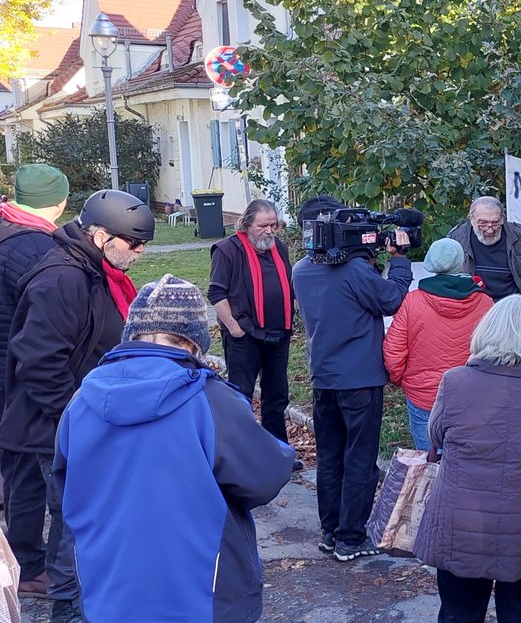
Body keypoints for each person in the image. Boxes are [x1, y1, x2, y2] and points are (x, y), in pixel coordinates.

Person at [54, 274, 294, 622]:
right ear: (194, 341)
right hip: (200, 594)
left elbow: (62, 490)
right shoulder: (210, 399)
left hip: (107, 592)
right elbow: (265, 477)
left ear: (131, 333)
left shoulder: (80, 403)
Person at [0, 188, 153, 622]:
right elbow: (38, 360)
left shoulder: (88, 267)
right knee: (75, 519)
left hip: (81, 418)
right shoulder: (63, 277)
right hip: (60, 426)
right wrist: (76, 420)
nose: (139, 253)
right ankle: (69, 608)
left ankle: (82, 596)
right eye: (133, 243)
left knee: (81, 515)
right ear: (101, 236)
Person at [414, 295, 521, 622]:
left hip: (461, 524)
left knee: (459, 614)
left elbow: (435, 435)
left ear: (487, 331)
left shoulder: (454, 382)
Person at [292, 195, 412, 562]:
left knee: (330, 456)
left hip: (323, 377)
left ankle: (330, 532)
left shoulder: (301, 270)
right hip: (359, 378)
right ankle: (351, 538)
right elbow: (391, 299)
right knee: (359, 458)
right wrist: (399, 260)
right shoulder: (355, 272)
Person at [0, 163, 69, 599]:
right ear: (60, 202)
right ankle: (28, 565)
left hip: (11, 365)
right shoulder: (36, 247)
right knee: (28, 468)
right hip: (22, 372)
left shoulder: (7, 230)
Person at [209, 199, 302, 470]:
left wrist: (291, 315)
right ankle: (240, 456)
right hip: (245, 336)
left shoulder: (279, 248)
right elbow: (216, 293)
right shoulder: (227, 250)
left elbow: (289, 285)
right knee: (241, 397)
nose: (270, 230)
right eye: (263, 225)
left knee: (277, 396)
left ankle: (277, 453)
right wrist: (235, 329)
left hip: (278, 334)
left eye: (274, 225)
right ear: (247, 224)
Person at [383, 238, 493, 451]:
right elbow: (495, 352)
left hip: (423, 394)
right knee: (465, 461)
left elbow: (393, 349)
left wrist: (401, 380)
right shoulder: (485, 303)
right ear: (461, 262)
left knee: (429, 463)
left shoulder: (413, 301)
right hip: (471, 395)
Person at [448, 196, 521, 302]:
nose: (490, 230)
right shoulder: (457, 238)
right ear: (470, 218)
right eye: (483, 224)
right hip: (471, 307)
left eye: (495, 223)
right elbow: (444, 276)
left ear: (503, 218)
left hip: (514, 309)